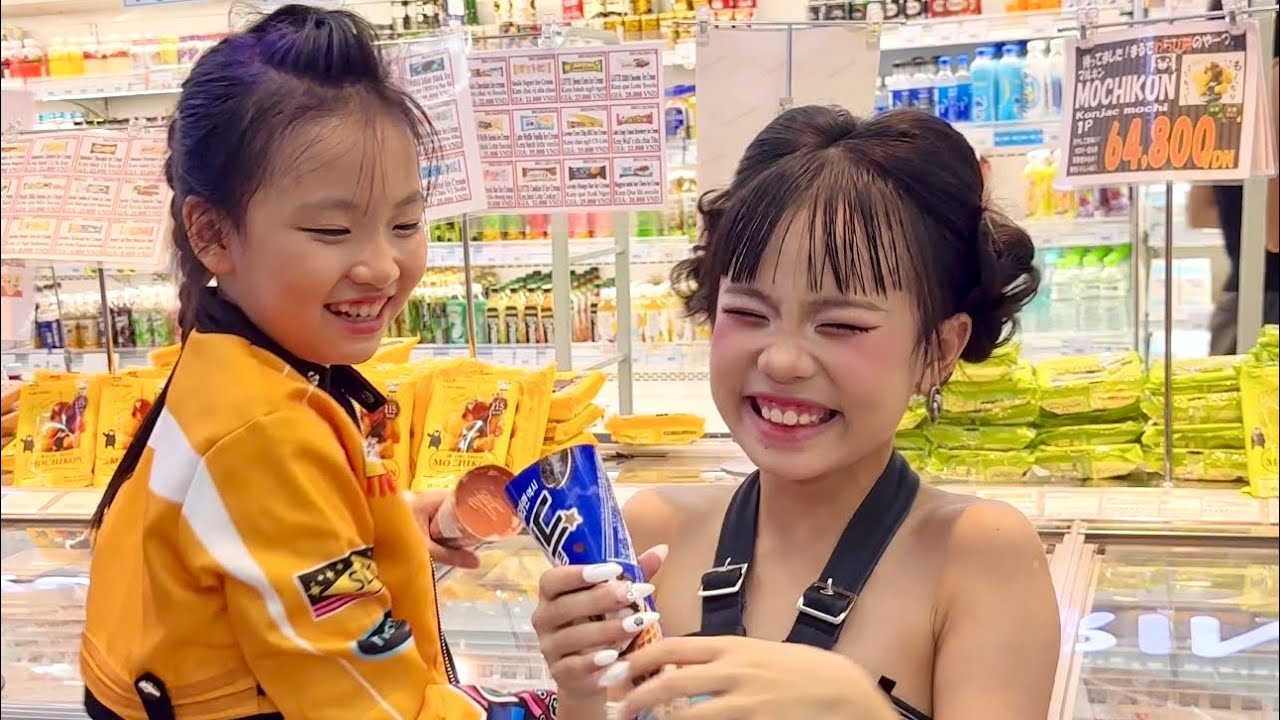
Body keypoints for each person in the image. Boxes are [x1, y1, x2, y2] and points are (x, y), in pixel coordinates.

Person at [81, 7, 552, 719]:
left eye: (406, 222)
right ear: (212, 234)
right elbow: (365, 698)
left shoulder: (227, 363)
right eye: (331, 230)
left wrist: (382, 527)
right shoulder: (265, 431)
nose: (382, 266)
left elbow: (254, 553)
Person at [532, 107, 1061, 720]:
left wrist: (864, 710)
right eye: (749, 313)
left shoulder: (979, 557)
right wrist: (580, 691)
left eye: (841, 325)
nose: (781, 360)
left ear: (938, 350)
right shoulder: (653, 531)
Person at [1201, 0, 1280, 354]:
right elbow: (1275, 231)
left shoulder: (1219, 90)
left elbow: (1197, 210)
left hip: (1243, 294)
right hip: (1268, 307)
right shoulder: (1273, 79)